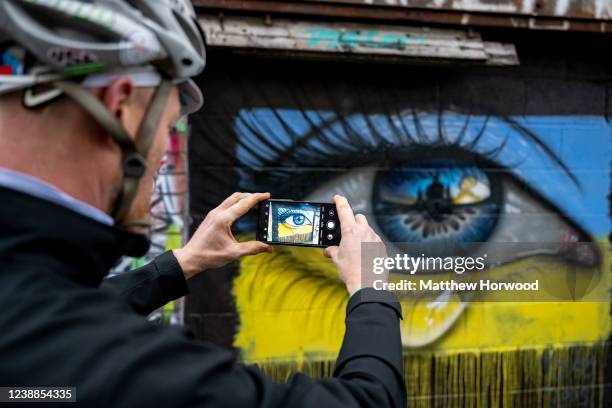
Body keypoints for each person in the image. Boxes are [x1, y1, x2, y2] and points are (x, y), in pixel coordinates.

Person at [0, 1, 405, 406]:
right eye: (167, 124)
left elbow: (58, 322)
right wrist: (370, 287)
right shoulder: (134, 374)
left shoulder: (35, 331)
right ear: (119, 108)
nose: (163, 154)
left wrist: (187, 260)